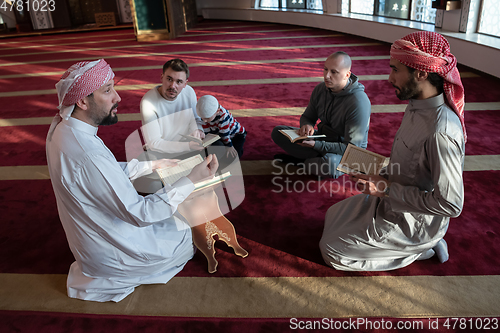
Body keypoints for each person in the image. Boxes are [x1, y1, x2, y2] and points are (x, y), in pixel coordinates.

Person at [46, 59, 219, 302]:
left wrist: (152, 164)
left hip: (90, 242)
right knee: (185, 233)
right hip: (113, 255)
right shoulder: (88, 153)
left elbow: (102, 174)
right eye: (107, 90)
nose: (117, 97)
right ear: (83, 101)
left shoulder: (63, 128)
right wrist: (191, 179)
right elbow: (140, 214)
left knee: (175, 210)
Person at [319, 31, 466, 271]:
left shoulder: (441, 131)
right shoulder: (417, 106)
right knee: (332, 215)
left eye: (396, 70)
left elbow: (451, 205)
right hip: (392, 199)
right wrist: (378, 171)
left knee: (333, 251)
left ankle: (422, 248)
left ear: (420, 73)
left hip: (413, 221)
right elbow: (412, 165)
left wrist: (385, 188)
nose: (390, 78)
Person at [271, 51, 371, 178]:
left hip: (349, 152)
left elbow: (352, 148)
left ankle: (303, 162)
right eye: (325, 69)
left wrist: (316, 145)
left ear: (347, 75)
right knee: (278, 132)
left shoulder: (358, 102)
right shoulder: (320, 89)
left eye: (334, 72)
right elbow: (308, 117)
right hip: (324, 138)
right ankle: (315, 161)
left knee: (330, 164)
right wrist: (306, 125)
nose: (327, 76)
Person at [140, 58, 205, 157]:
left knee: (220, 149)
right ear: (162, 77)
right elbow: (154, 143)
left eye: (179, 82)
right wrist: (188, 146)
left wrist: (198, 130)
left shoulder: (189, 91)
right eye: (169, 79)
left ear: (185, 84)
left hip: (188, 143)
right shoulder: (148, 102)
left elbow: (195, 119)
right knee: (144, 160)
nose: (172, 86)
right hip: (163, 150)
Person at [196, 94, 247, 162]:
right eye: (202, 117)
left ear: (217, 111)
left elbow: (225, 133)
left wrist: (229, 145)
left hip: (235, 135)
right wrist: (208, 139)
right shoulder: (205, 115)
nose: (204, 120)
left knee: (235, 154)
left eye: (207, 118)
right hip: (218, 133)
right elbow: (205, 127)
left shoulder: (224, 115)